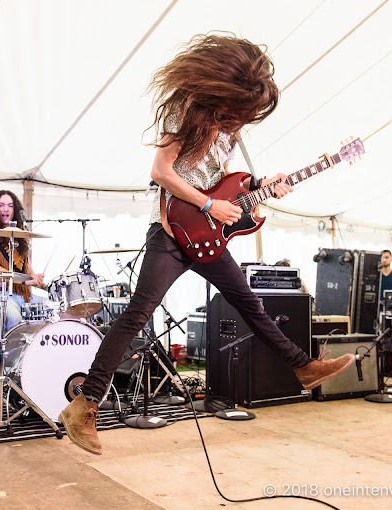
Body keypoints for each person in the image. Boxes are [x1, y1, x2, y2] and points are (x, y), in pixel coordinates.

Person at [58, 34, 355, 455]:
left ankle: (303, 368)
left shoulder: (230, 128)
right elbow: (161, 171)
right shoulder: (185, 112)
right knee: (137, 314)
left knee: (250, 303)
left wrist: (260, 185)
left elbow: (225, 178)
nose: (244, 117)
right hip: (171, 232)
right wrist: (209, 204)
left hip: (209, 238)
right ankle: (84, 406)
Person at [0, 190, 45, 329]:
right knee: (14, 317)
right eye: (1, 205)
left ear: (15, 210)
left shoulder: (19, 237)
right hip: (0, 295)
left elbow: (29, 273)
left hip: (24, 297)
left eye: (10, 205)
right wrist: (23, 279)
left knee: (51, 312)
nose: (6, 209)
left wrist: (36, 279)